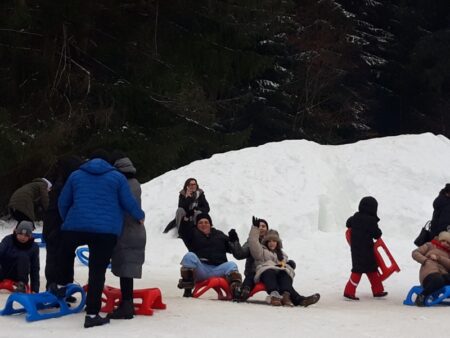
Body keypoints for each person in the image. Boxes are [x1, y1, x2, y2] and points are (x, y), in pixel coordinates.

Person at [53, 150, 145, 328]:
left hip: (76, 226)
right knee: (97, 272)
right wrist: (139, 215)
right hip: (105, 231)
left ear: (89, 160)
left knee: (65, 251)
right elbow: (128, 202)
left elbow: (63, 201)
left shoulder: (76, 175)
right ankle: (92, 314)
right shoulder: (117, 178)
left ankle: (62, 285)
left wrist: (68, 220)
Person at [230, 218, 320, 306]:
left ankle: (295, 298)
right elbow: (247, 248)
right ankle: (262, 293)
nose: (261, 228)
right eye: (259, 226)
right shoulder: (259, 248)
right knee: (269, 272)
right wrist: (254, 229)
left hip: (275, 274)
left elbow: (283, 262)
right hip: (257, 273)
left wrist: (289, 264)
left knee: (284, 274)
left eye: (263, 226)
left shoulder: (280, 253)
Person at [109, 153, 146, 320]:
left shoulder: (123, 185)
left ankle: (127, 305)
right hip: (136, 231)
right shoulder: (135, 183)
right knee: (127, 269)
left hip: (127, 231)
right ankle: (126, 303)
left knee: (125, 270)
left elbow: (126, 207)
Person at [177, 213, 242, 299]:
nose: (203, 224)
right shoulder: (192, 234)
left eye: (206, 222)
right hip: (201, 269)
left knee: (232, 265)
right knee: (189, 256)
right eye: (200, 223)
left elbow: (235, 252)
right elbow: (183, 231)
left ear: (210, 224)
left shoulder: (219, 234)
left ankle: (236, 290)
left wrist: (234, 240)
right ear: (196, 225)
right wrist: (186, 218)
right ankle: (188, 290)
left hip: (218, 269)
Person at [42, 155, 82, 291]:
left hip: (60, 226)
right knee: (58, 257)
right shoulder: (63, 186)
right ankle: (54, 286)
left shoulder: (63, 185)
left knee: (64, 256)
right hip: (57, 226)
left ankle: (63, 287)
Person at [344, 196, 387, 300]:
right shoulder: (371, 221)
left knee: (360, 271)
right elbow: (377, 234)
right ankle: (376, 291)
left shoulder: (355, 217)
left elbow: (348, 223)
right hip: (367, 251)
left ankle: (351, 291)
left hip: (356, 251)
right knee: (371, 271)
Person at [412, 231, 450, 306]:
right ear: (439, 240)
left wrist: (439, 258)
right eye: (443, 241)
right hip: (429, 273)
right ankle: (422, 296)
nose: (445, 243)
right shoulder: (430, 245)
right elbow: (415, 253)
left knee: (441, 279)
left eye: (448, 243)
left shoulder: (448, 253)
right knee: (437, 280)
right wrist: (425, 260)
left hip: (443, 274)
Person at [0, 221, 39, 293]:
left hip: (20, 279)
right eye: (20, 234)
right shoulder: (8, 240)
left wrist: (35, 290)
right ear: (16, 232)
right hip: (4, 274)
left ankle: (22, 285)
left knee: (23, 256)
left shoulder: (33, 247)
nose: (23, 237)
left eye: (26, 235)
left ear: (30, 236)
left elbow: (35, 269)